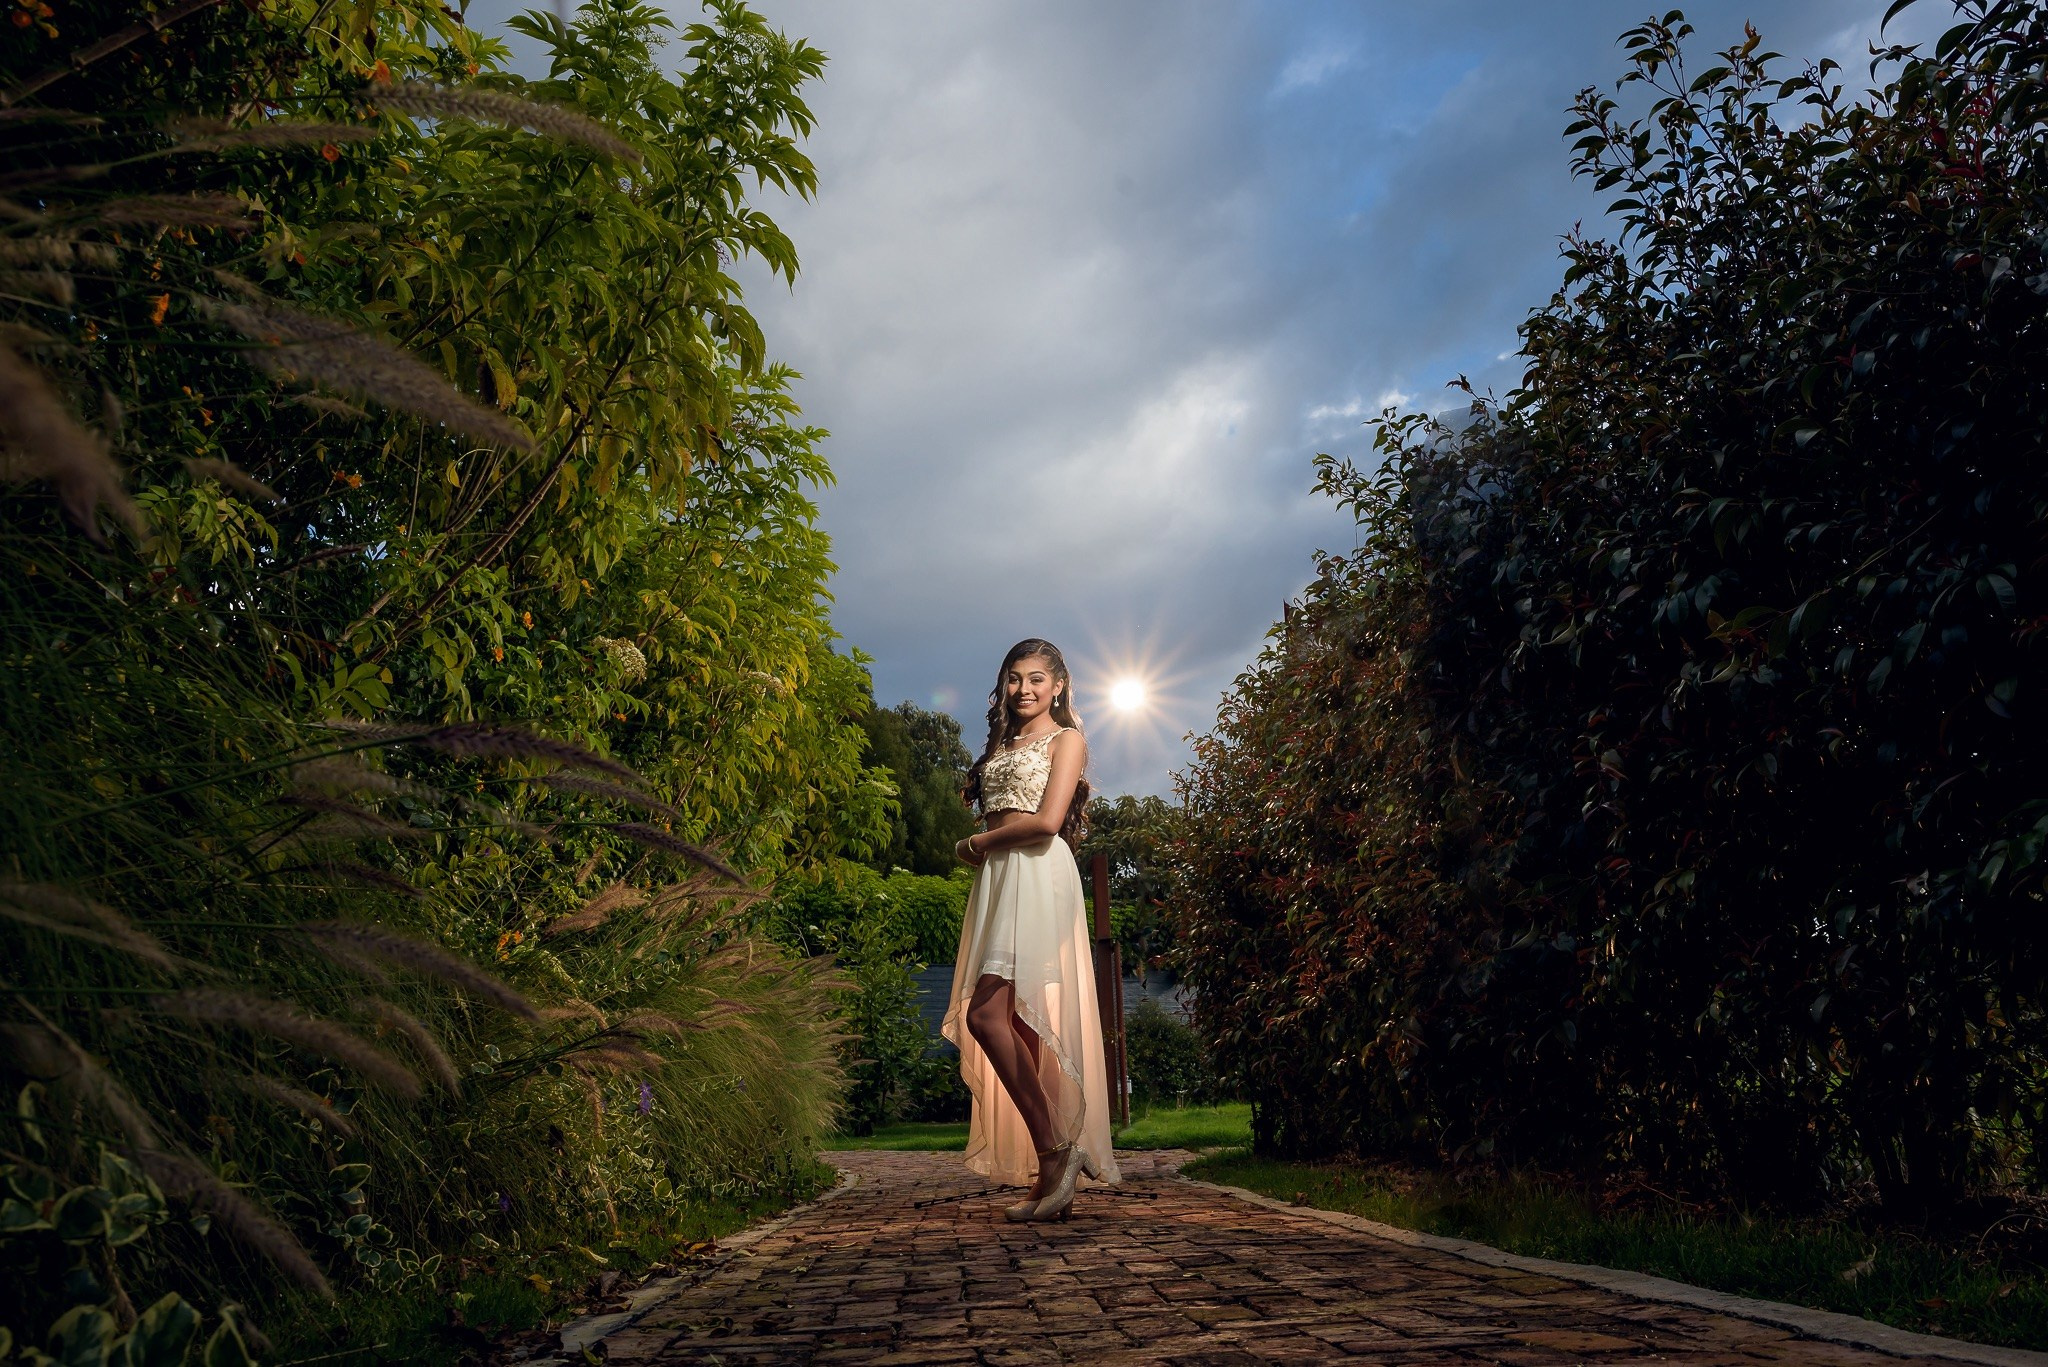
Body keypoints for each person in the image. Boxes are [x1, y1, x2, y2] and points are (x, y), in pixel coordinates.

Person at [941, 638, 1122, 1222]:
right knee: (1016, 1020)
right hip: (1000, 877)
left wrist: (978, 844)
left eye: (1037, 679)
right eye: (1015, 679)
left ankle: (1056, 1151)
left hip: (1037, 872)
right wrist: (988, 852)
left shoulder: (1067, 740)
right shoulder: (1004, 744)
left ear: (1060, 685)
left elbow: (1046, 823)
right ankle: (1053, 1178)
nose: (1024, 690)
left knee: (984, 1015)